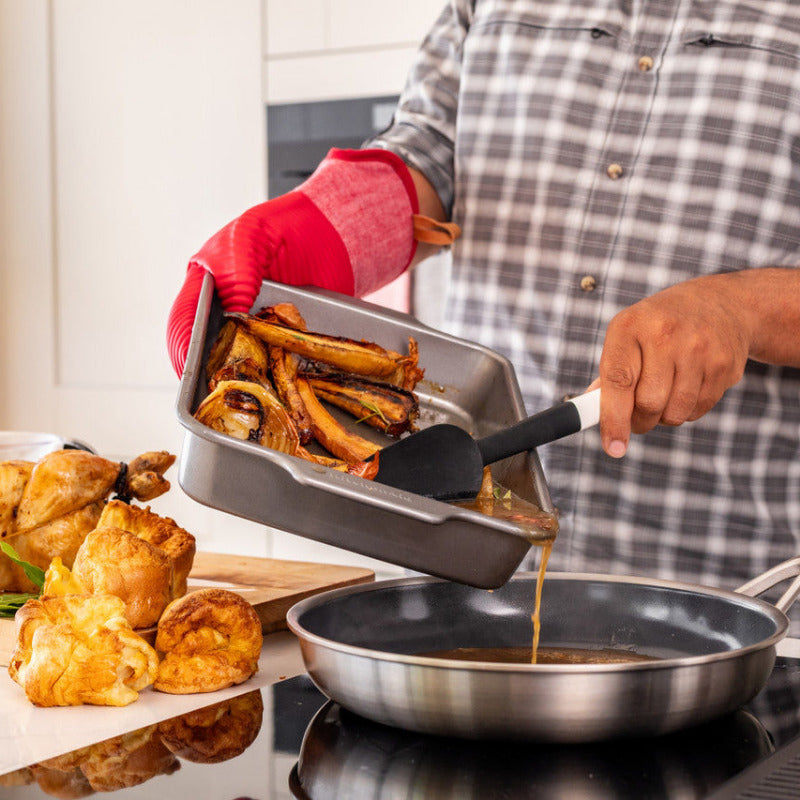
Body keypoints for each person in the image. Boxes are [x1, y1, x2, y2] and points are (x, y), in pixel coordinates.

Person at [168, 1, 800, 592]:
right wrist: (317, 227)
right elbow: (430, 159)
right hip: (468, 585)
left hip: (730, 600)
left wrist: (741, 310)